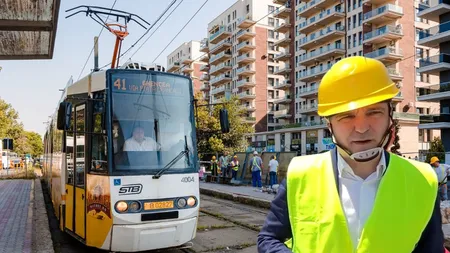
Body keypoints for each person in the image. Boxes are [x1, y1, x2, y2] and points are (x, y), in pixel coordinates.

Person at [257, 56, 444, 252]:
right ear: (329, 125)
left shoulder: (422, 180)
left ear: (390, 116)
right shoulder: (300, 175)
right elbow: (269, 238)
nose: (362, 128)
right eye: (347, 116)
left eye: (374, 112)